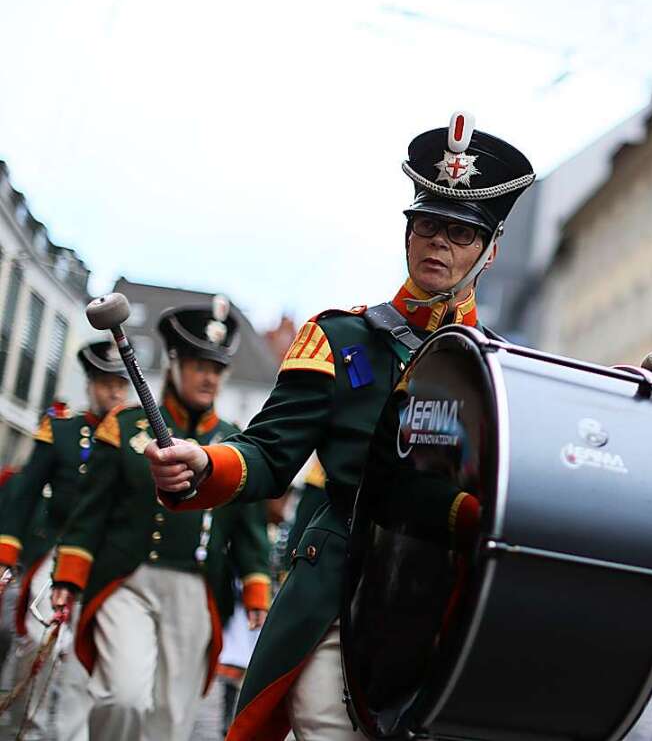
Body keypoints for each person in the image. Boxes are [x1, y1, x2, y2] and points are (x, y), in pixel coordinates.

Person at [145, 112, 535, 741]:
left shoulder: (502, 375)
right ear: (407, 235)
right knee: (325, 727)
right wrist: (203, 465)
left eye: (461, 233)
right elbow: (270, 453)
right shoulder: (341, 338)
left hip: (440, 604)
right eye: (427, 225)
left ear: (488, 255)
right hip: (340, 585)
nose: (438, 242)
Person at [49, 300, 272, 741]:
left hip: (196, 587)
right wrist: (68, 579)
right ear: (173, 363)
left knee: (171, 719)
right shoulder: (124, 424)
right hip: (125, 579)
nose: (210, 377)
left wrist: (256, 584)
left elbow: (247, 525)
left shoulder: (232, 441)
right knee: (123, 696)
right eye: (198, 364)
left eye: (218, 368)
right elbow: (89, 513)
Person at [0, 341, 129, 741]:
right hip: (56, 552)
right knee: (37, 643)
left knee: (85, 659)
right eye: (106, 384)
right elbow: (24, 493)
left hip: (105, 560)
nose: (114, 393)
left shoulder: (135, 440)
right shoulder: (62, 430)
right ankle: (27, 727)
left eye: (119, 385)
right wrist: (7, 553)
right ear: (90, 384)